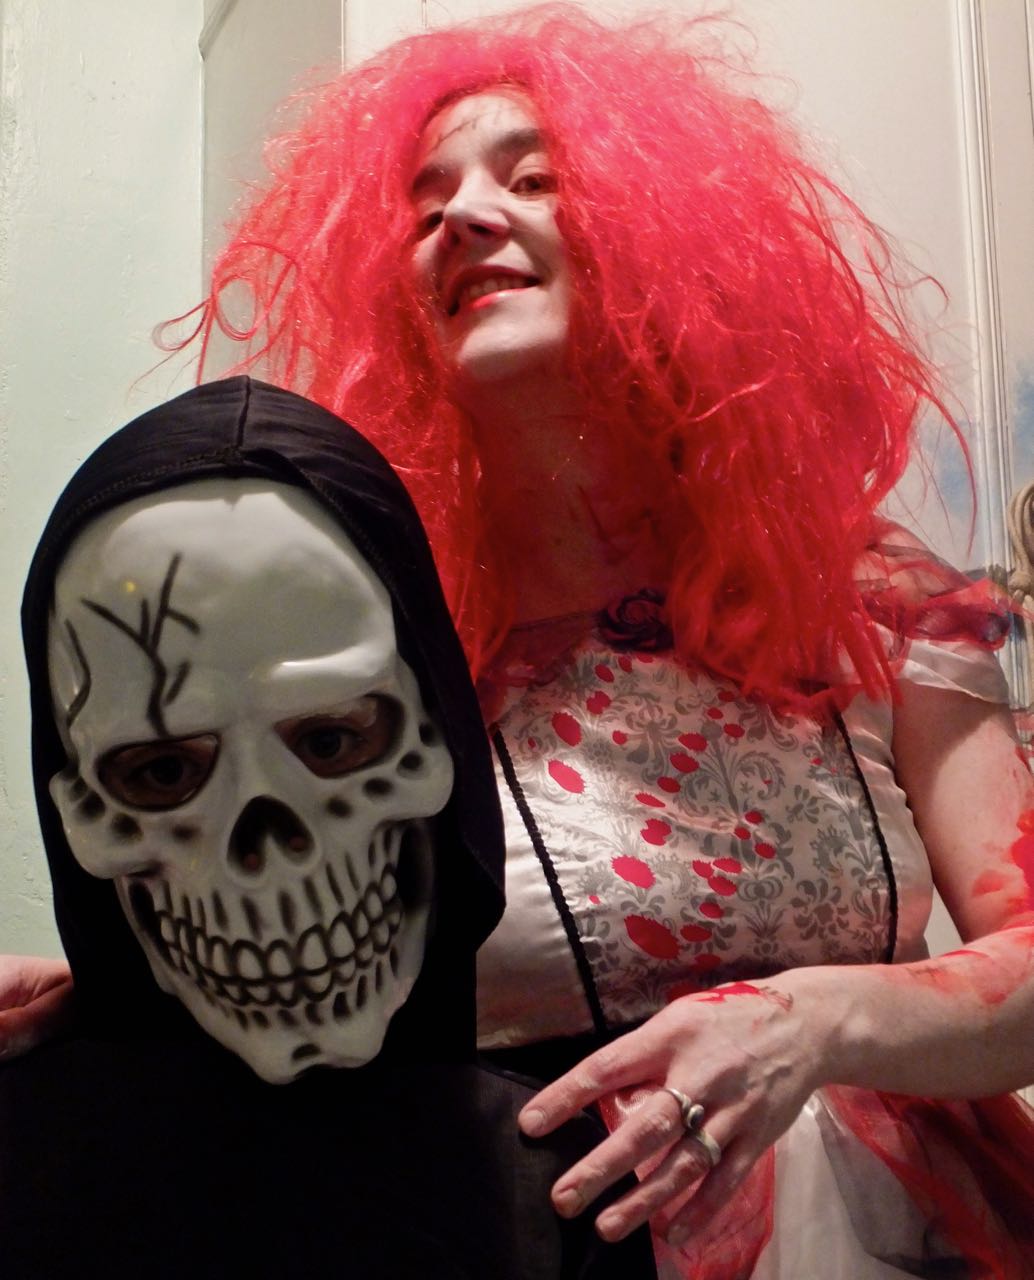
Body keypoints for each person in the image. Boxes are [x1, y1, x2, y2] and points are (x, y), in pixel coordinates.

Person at [6, 4, 1034, 1275]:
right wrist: (112, 988)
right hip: (552, 1236)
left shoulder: (866, 595)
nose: (462, 217)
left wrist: (809, 1019)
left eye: (533, 179)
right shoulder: (379, 650)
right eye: (423, 203)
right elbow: (317, 943)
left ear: (670, 234)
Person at [0, 375, 651, 1279]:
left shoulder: (552, 1190)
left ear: (436, 742)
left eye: (331, 739)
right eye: (163, 772)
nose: (268, 857)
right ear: (77, 807)